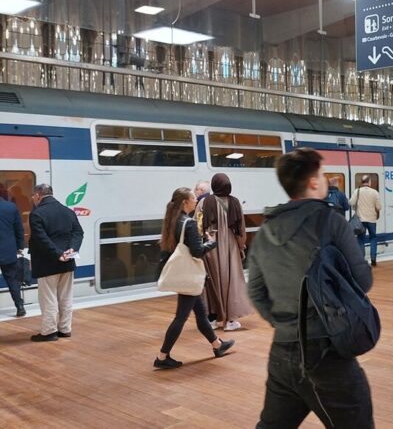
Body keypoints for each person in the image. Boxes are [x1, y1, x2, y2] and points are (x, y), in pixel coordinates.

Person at [247, 148, 374, 428]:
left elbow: (255, 291)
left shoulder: (265, 230)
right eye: (323, 174)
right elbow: (363, 281)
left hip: (282, 352)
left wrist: (283, 322)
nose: (326, 179)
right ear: (314, 182)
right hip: (326, 352)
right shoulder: (330, 221)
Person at [154, 187, 234, 369]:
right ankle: (162, 356)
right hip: (189, 276)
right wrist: (211, 242)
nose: (196, 200)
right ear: (185, 202)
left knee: (200, 313)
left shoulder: (172, 221)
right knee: (180, 318)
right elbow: (197, 252)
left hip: (185, 276)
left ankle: (217, 345)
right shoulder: (188, 223)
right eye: (193, 198)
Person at [196, 173, 251, 331]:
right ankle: (230, 321)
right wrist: (241, 247)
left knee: (211, 281)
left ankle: (212, 318)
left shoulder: (204, 202)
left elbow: (197, 225)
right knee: (231, 281)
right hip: (231, 246)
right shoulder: (235, 202)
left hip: (210, 246)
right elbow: (240, 229)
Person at [28, 184, 84, 342]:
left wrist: (58, 254)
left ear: (39, 195)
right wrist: (71, 251)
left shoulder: (37, 214)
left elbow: (41, 238)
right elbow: (78, 233)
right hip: (67, 262)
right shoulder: (68, 211)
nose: (33, 198)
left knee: (49, 298)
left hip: (47, 263)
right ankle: (65, 329)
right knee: (66, 297)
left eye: (33, 195)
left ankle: (49, 332)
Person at [0, 184, 26, 317]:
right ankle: (20, 306)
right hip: (8, 250)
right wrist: (20, 246)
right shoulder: (11, 207)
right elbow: (19, 229)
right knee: (12, 279)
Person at [350, 175, 382, 266]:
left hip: (360, 219)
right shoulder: (375, 192)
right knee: (373, 238)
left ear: (361, 182)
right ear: (369, 182)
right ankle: (373, 259)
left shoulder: (357, 191)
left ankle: (361, 260)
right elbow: (379, 207)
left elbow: (351, 202)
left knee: (360, 239)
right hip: (372, 219)